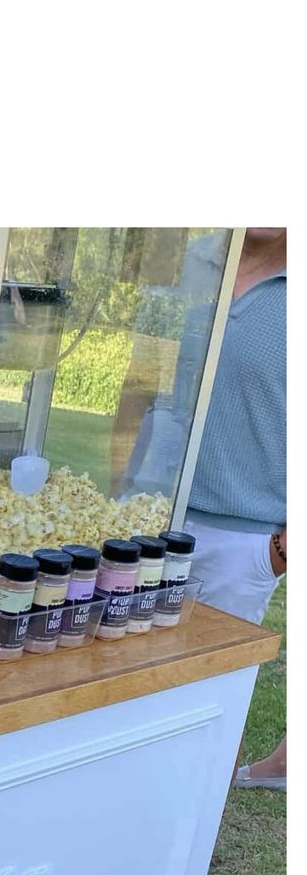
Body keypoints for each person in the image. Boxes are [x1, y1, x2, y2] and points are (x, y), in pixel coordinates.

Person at [183, 228, 286, 788]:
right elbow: (147, 381)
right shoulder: (194, 259)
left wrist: (280, 548)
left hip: (244, 540)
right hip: (149, 519)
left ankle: (193, 833)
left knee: (208, 710)